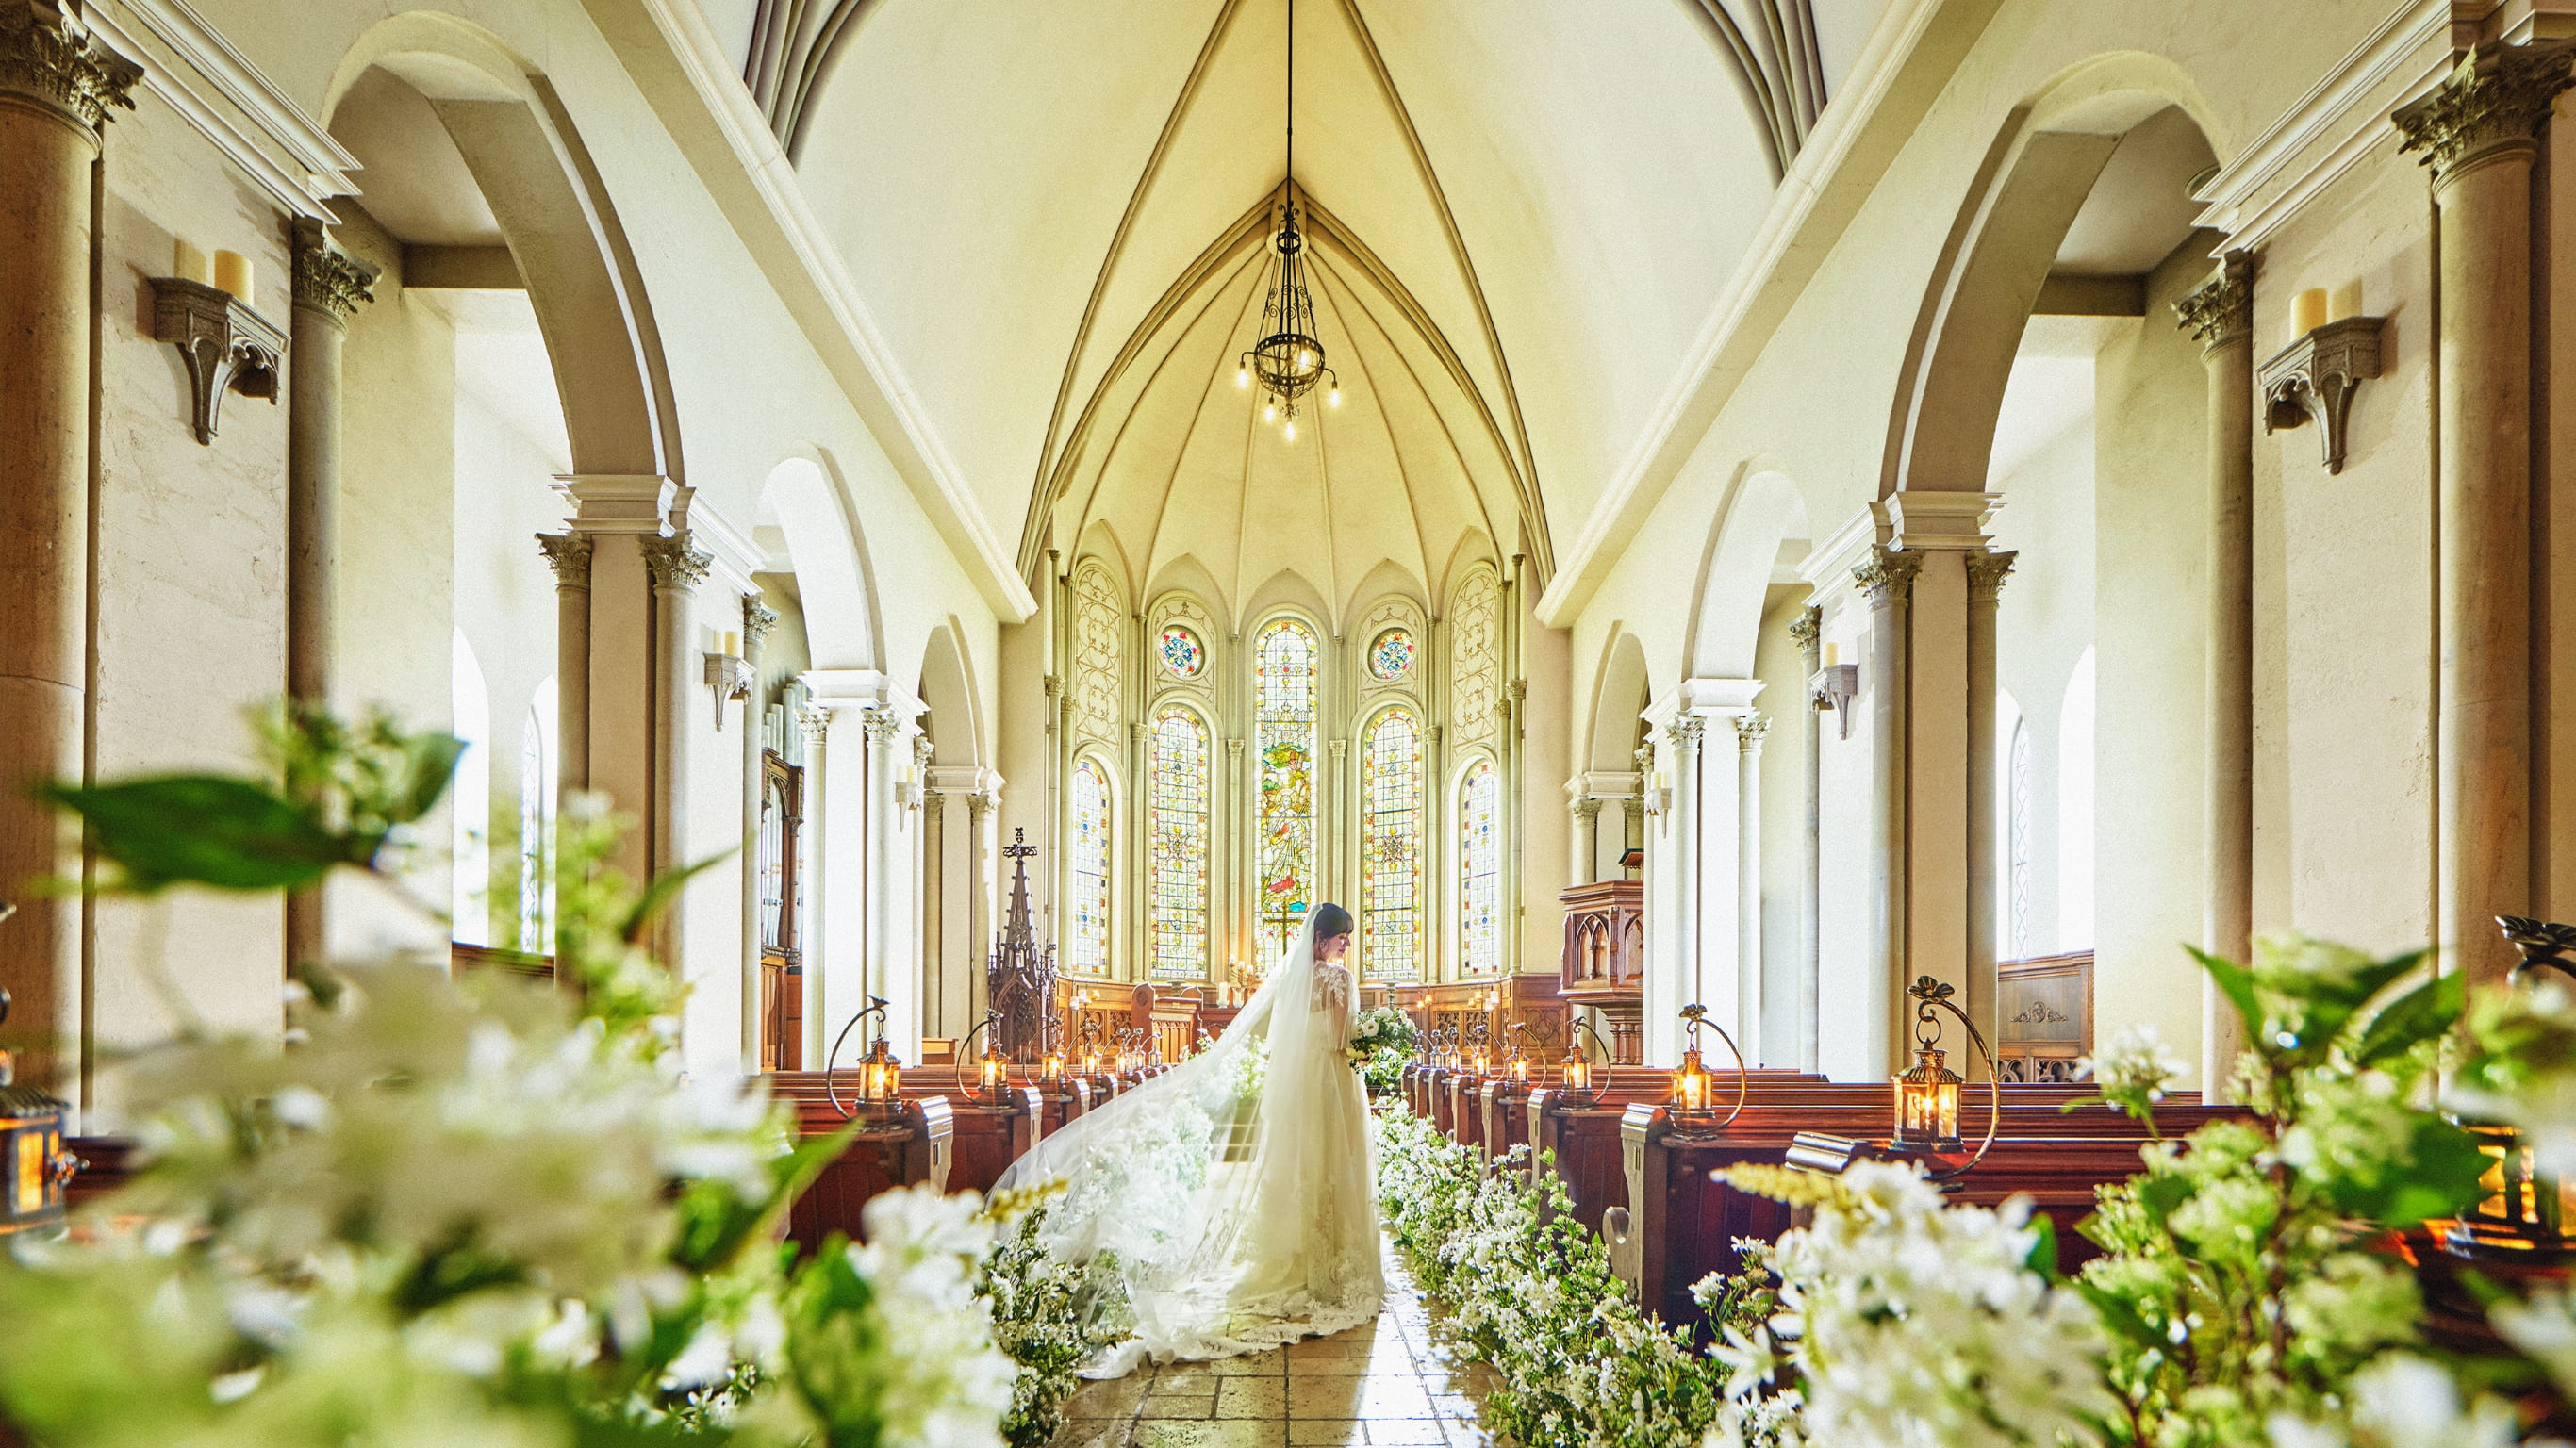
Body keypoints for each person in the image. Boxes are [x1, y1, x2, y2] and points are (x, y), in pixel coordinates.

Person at [993, 902, 1385, 1372]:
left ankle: (1303, 1260)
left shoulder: (1295, 982)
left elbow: (1287, 1040)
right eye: (1343, 937)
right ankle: (1335, 1264)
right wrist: (1378, 1038)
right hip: (1334, 1082)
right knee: (1335, 1163)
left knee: (1307, 1162)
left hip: (1304, 1085)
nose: (1347, 944)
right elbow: (1344, 1040)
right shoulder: (1340, 981)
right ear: (1325, 939)